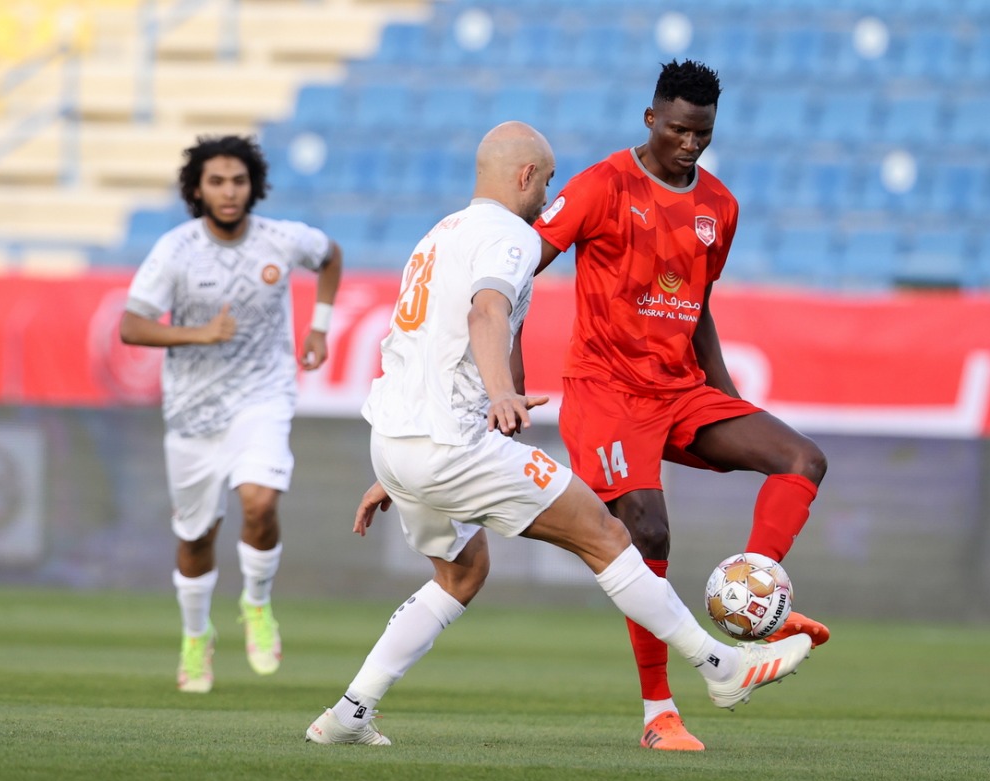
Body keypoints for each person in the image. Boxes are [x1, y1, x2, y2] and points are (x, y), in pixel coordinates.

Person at [304, 121, 812, 748]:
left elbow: (422, 349)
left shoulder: (437, 237)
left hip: (398, 440)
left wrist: (391, 470)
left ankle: (350, 712)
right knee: (607, 535)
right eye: (545, 182)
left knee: (461, 576)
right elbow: (486, 312)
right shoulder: (509, 237)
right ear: (525, 177)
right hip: (453, 445)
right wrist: (501, 396)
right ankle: (722, 666)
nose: (549, 197)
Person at [528, 60, 830, 752]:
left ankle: (748, 600)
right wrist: (500, 369)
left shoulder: (719, 206)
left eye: (703, 133)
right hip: (606, 391)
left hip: (680, 389)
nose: (690, 143)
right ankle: (658, 714)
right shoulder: (602, 185)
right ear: (650, 120)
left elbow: (698, 306)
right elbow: (525, 265)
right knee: (649, 531)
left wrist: (725, 393)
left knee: (801, 459)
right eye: (679, 130)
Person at [119, 134, 344, 693]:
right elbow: (130, 325)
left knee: (260, 500)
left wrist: (319, 324)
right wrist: (199, 333)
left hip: (263, 396)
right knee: (196, 538)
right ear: (197, 189)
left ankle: (257, 604)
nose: (228, 191)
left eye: (238, 181)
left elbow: (330, 255)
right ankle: (197, 638)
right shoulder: (176, 250)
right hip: (193, 414)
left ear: (253, 186)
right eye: (216, 181)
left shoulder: (281, 239)